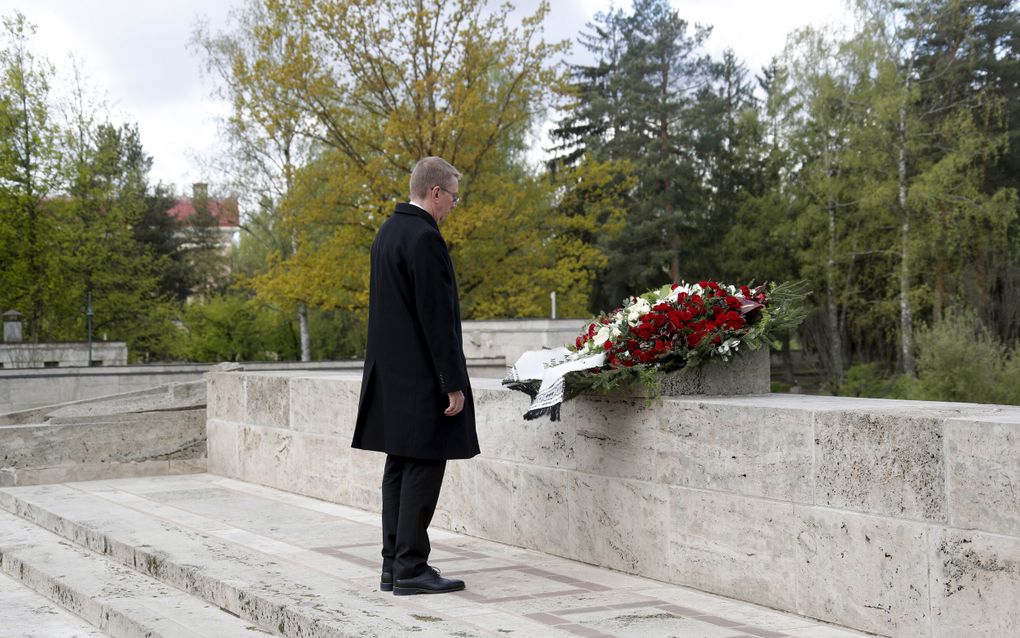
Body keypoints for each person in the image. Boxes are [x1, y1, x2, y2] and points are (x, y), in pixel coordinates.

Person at [351, 156, 480, 596]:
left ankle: (392, 565)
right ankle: (411, 566)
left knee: (399, 466)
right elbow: (436, 317)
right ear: (436, 192)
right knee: (424, 465)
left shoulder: (387, 232)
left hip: (391, 375)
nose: (452, 208)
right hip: (423, 377)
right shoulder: (425, 237)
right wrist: (452, 381)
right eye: (454, 199)